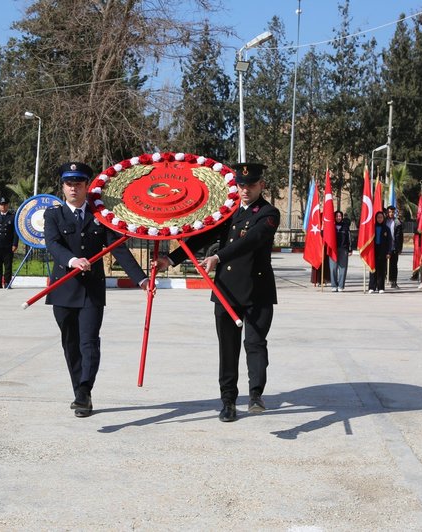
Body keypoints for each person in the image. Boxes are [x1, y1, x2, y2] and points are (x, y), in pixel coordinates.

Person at [156, 162, 279, 423]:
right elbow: (203, 237)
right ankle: (228, 401)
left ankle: (256, 394)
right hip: (227, 290)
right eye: (241, 185)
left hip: (257, 291)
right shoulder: (228, 211)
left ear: (261, 185)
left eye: (251, 185)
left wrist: (218, 257)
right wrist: (172, 259)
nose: (245, 190)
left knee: (255, 343)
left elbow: (251, 240)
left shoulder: (269, 213)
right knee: (228, 349)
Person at [44, 162, 150, 418]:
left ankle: (84, 391)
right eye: (69, 184)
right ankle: (79, 391)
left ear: (86, 186)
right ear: (63, 187)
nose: (73, 188)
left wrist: (141, 280)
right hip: (63, 289)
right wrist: (72, 260)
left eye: (78, 184)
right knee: (71, 344)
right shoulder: (54, 215)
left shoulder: (100, 215)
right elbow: (53, 244)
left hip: (91, 291)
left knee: (89, 341)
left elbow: (117, 248)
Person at [0, 197, 19, 288]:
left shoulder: (12, 216)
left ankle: (7, 283)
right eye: (1, 205)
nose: (3, 206)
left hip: (8, 245)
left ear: (7, 205)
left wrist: (15, 244)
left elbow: (15, 232)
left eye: (5, 205)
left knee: (8, 266)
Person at [368, 211, 392, 293]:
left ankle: (381, 287)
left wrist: (389, 252)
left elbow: (389, 241)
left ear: (383, 218)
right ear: (376, 218)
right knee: (372, 269)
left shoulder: (386, 229)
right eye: (378, 217)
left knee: (381, 270)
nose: (380, 219)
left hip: (383, 251)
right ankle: (372, 287)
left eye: (381, 217)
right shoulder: (372, 228)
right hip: (373, 250)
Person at [329, 210, 352, 292]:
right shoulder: (331, 226)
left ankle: (341, 286)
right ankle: (334, 285)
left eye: (340, 216)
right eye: (337, 216)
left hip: (343, 249)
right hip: (333, 249)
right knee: (333, 268)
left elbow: (349, 238)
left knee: (343, 268)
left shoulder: (345, 226)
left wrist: (350, 249)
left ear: (342, 217)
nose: (338, 218)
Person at [385, 206, 404, 288]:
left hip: (394, 247)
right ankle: (385, 278)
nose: (391, 213)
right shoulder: (384, 221)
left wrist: (400, 248)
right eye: (389, 212)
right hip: (385, 247)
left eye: (392, 212)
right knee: (385, 265)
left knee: (394, 265)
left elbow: (400, 236)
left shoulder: (398, 222)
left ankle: (394, 281)